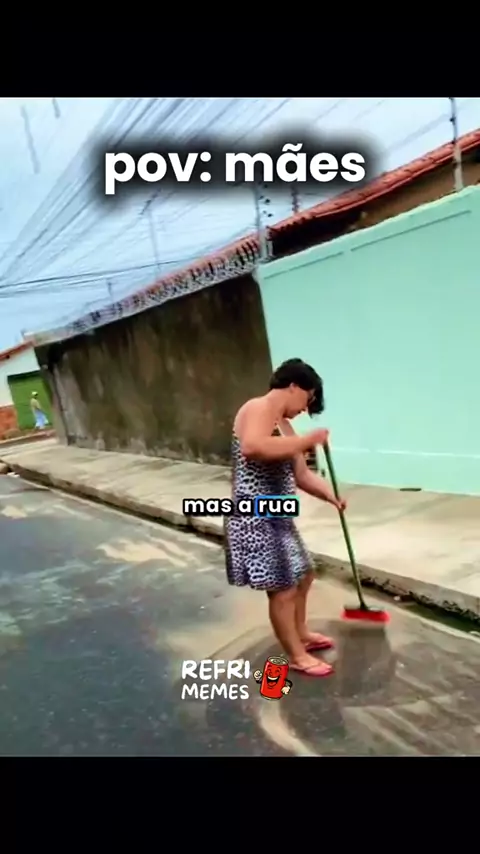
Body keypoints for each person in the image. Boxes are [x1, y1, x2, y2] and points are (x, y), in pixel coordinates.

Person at [225, 358, 347, 678]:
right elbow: (253, 446)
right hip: (254, 516)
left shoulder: (285, 425)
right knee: (282, 589)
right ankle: (296, 656)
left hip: (278, 516)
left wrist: (332, 496)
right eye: (307, 399)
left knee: (304, 575)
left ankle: (301, 633)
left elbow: (302, 475)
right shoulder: (257, 407)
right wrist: (308, 440)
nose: (305, 408)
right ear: (293, 386)